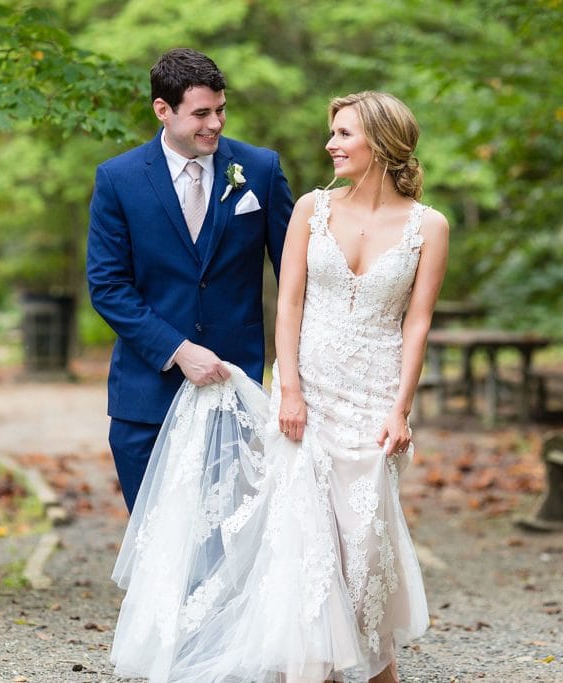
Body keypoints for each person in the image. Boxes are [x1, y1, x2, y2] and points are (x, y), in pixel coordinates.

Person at [111, 91, 449, 683]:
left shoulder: (430, 226)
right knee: (303, 542)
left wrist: (402, 410)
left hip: (374, 397)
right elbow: (287, 300)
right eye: (333, 133)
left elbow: (417, 322)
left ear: (383, 143)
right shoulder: (313, 210)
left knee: (365, 547)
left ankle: (373, 663)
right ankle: (312, 669)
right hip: (307, 394)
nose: (331, 144)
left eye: (344, 134)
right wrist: (287, 388)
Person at [86, 48, 294, 513]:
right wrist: (179, 351)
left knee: (228, 549)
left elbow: (296, 278)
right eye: (201, 113)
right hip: (146, 397)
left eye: (220, 110)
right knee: (154, 545)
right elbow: (108, 286)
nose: (216, 124)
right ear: (163, 110)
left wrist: (296, 375)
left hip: (235, 387)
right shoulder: (118, 180)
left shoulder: (260, 170)